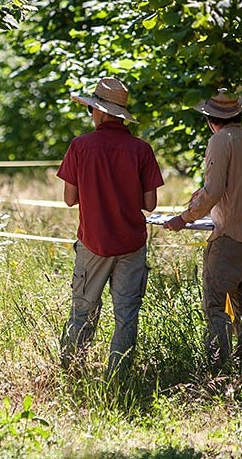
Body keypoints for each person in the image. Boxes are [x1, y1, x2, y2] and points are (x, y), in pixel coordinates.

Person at [57, 77, 164, 383]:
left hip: (93, 242)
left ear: (101, 113)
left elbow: (69, 200)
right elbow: (151, 204)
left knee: (83, 310)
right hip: (131, 243)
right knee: (127, 314)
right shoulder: (141, 149)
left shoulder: (80, 146)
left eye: (92, 109)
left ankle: (71, 371)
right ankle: (119, 378)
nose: (91, 114)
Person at [164, 89, 242, 386]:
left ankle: (217, 375)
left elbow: (214, 190)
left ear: (212, 120)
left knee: (215, 308)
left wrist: (183, 218)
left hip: (230, 237)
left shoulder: (220, 141)